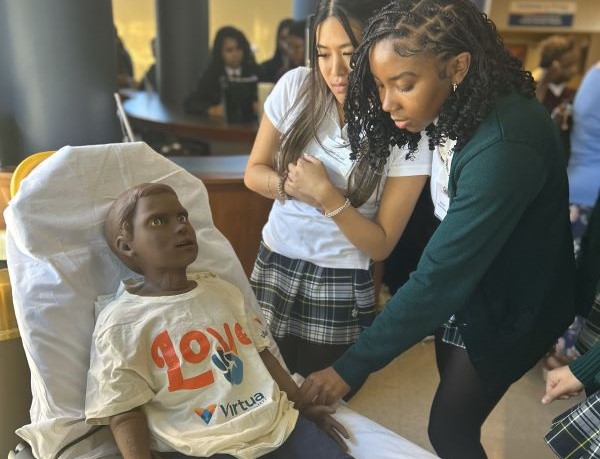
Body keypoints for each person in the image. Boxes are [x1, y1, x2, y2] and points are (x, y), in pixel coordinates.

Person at [295, 1, 576, 458]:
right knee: (452, 402)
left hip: (512, 299)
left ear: (458, 66)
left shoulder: (504, 144)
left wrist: (350, 366)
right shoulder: (457, 103)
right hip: (472, 283)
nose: (387, 103)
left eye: (403, 85)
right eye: (382, 85)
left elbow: (440, 277)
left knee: (449, 428)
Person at [84, 183, 352, 459]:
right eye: (157, 221)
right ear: (126, 246)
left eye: (182, 217)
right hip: (202, 446)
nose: (180, 227)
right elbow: (124, 410)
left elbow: (262, 356)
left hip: (278, 425)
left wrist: (302, 408)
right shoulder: (121, 323)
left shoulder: (224, 292)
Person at [244, 0, 431, 380]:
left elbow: (380, 246)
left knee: (322, 398)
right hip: (275, 259)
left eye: (350, 54)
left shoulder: (404, 121)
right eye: (323, 54)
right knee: (262, 383)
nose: (335, 71)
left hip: (339, 279)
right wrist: (293, 187)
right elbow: (253, 172)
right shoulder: (296, 85)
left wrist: (327, 196)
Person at [544, 62, 600, 372]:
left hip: (576, 186)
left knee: (566, 276)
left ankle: (554, 347)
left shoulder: (591, 75)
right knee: (582, 280)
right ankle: (563, 353)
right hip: (591, 196)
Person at [184, 26, 262, 117]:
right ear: (219, 52)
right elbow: (190, 103)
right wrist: (212, 110)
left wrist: (260, 104)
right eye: (229, 50)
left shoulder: (256, 71)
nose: (235, 54)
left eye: (238, 49)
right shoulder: (211, 75)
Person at [532, 35, 580, 160]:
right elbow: (532, 112)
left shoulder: (573, 94)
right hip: (538, 157)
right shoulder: (533, 90)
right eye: (568, 65)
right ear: (554, 65)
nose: (574, 70)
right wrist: (546, 80)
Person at [260, 18, 295, 83]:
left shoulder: (304, 67)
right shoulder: (265, 68)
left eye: (290, 38)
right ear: (278, 40)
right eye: (283, 38)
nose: (287, 43)